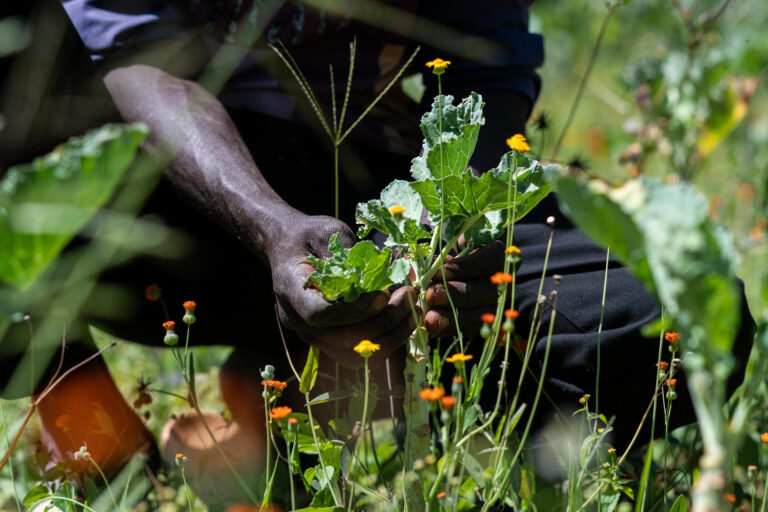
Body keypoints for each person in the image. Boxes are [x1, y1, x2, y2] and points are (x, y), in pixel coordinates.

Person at [0, 0, 755, 501]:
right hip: (158, 191)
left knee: (669, 319)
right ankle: (99, 444)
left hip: (369, 194)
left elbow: (487, 73)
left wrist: (440, 244)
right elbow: (141, 60)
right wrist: (270, 226)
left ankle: (265, 417)